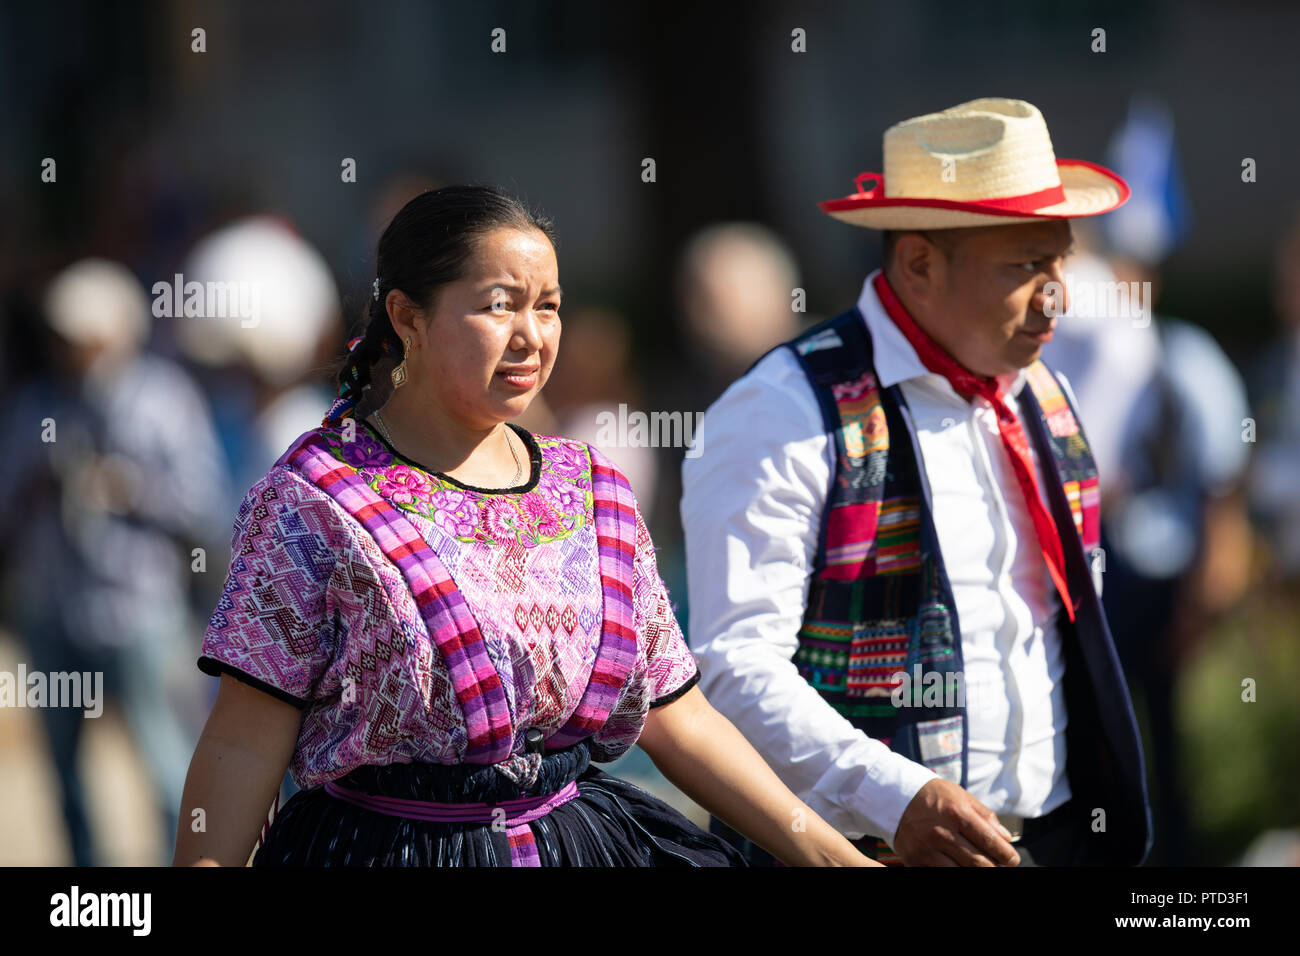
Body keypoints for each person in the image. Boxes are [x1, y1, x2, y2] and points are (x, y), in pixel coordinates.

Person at [173, 184, 881, 867]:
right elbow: (242, 740)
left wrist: (833, 857)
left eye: (548, 307)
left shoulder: (592, 489)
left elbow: (678, 718)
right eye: (497, 306)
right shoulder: (314, 499)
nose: (531, 336)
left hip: (580, 841)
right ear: (407, 317)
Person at [683, 98, 1153, 866]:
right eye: (1024, 265)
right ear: (919, 264)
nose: (1056, 292)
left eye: (1059, 257)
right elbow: (733, 670)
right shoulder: (781, 409)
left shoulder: (1040, 395)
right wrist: (895, 799)